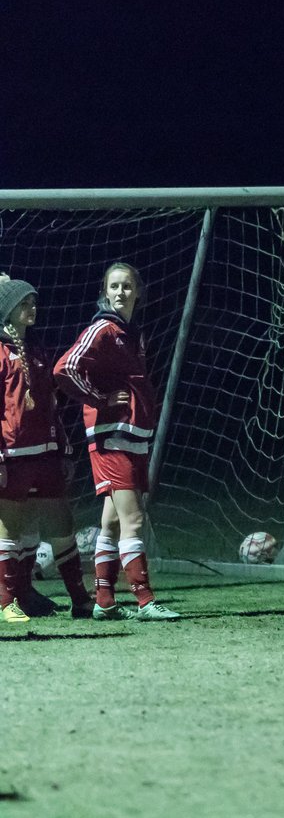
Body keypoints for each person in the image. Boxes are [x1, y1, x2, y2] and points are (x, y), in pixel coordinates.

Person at [53, 263, 180, 621]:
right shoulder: (103, 329)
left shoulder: (131, 331)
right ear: (104, 292)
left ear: (138, 291)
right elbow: (65, 368)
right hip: (113, 437)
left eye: (127, 286)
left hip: (132, 434)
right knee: (133, 520)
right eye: (114, 286)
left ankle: (104, 600)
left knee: (110, 522)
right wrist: (99, 397)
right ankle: (145, 599)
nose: (121, 292)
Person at [0, 276, 94, 622]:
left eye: (33, 302)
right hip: (13, 457)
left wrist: (64, 447)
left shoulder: (37, 350)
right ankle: (8, 602)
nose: (32, 308)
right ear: (7, 310)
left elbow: (51, 406)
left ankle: (81, 600)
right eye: (24, 303)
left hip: (46, 454)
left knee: (61, 524)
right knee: (11, 529)